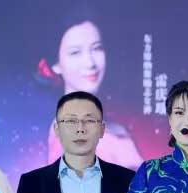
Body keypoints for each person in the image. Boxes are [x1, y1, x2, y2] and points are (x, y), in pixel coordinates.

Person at [37, 14, 143, 169]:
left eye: (96, 48)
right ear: (55, 64)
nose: (90, 62)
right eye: (75, 52)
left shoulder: (115, 129)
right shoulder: (68, 129)